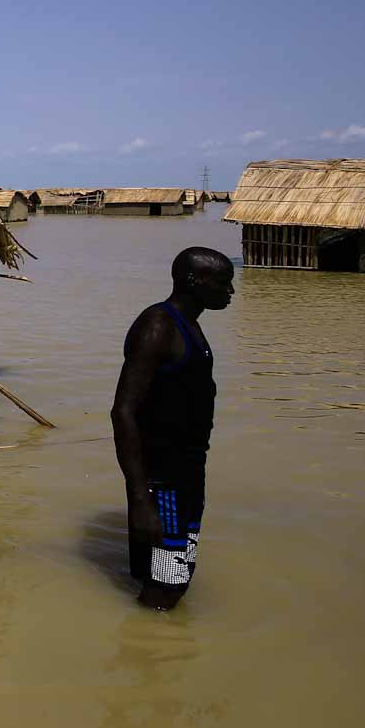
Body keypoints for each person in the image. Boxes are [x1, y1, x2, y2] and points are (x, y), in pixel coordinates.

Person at [110, 246, 233, 610]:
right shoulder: (158, 326)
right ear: (195, 281)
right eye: (224, 282)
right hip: (162, 481)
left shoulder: (189, 326)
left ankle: (152, 652)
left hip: (187, 473)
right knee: (165, 587)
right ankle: (151, 657)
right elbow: (123, 412)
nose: (230, 292)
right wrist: (140, 498)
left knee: (176, 573)